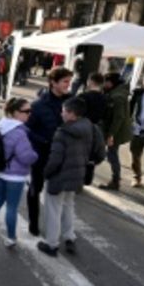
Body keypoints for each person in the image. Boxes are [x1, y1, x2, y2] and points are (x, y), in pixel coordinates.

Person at [37, 98, 104, 257]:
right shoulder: (91, 127)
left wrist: (44, 174)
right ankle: (69, 237)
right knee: (68, 206)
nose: (61, 113)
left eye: (64, 111)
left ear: (72, 114)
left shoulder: (63, 132)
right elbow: (101, 153)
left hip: (59, 177)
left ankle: (51, 244)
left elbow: (55, 160)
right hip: (77, 175)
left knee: (53, 209)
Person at [0, 98, 39, 247]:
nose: (29, 114)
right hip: (15, 176)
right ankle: (11, 238)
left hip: (0, 172)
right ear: (15, 112)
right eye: (26, 111)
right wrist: (36, 155)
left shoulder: (1, 126)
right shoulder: (19, 133)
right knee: (12, 208)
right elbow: (26, 157)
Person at [25, 67, 73, 236]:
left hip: (62, 156)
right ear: (53, 82)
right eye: (65, 81)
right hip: (41, 155)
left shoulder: (71, 103)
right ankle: (33, 222)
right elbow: (27, 129)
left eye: (69, 81)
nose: (69, 85)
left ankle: (59, 230)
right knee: (35, 189)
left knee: (60, 194)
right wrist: (43, 140)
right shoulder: (38, 105)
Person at [98, 72, 133, 191]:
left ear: (111, 82)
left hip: (116, 131)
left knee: (112, 155)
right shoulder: (116, 92)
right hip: (114, 130)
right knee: (111, 154)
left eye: (105, 82)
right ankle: (115, 180)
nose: (103, 84)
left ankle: (115, 180)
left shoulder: (117, 96)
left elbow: (119, 117)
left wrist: (111, 135)